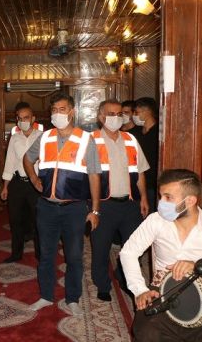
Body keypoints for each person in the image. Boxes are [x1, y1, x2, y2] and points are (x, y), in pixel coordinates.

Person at [23, 92, 101, 317]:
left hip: (74, 208)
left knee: (74, 256)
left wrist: (95, 210)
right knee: (46, 255)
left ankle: (72, 298)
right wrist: (34, 179)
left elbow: (94, 175)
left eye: (62, 109)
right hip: (46, 207)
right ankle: (46, 296)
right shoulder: (45, 137)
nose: (57, 114)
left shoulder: (86, 139)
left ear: (72, 112)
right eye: (54, 110)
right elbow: (27, 159)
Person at [120, 169, 202, 341]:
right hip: (162, 290)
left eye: (168, 197)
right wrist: (140, 290)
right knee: (146, 330)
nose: (161, 202)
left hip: (200, 291)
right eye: (161, 196)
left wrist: (196, 266)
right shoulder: (156, 220)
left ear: (190, 200)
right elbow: (128, 252)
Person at [90, 99, 149, 302]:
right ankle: (102, 285)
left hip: (130, 204)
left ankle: (126, 279)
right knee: (100, 248)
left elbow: (140, 172)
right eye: (111, 114)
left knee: (133, 248)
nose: (116, 118)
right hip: (103, 205)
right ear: (101, 117)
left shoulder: (131, 139)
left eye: (119, 114)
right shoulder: (91, 141)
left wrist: (144, 198)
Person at [0, 102, 43, 263]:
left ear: (33, 118)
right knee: (15, 219)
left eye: (26, 117)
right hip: (17, 183)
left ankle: (40, 254)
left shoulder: (42, 136)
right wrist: (5, 186)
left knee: (38, 220)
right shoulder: (15, 138)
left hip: (36, 184)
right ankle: (16, 253)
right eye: (19, 118)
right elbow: (10, 162)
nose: (22, 121)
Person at [131, 97, 159, 212]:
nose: (134, 116)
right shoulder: (135, 132)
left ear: (147, 111)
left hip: (153, 183)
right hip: (136, 181)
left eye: (136, 112)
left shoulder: (159, 132)